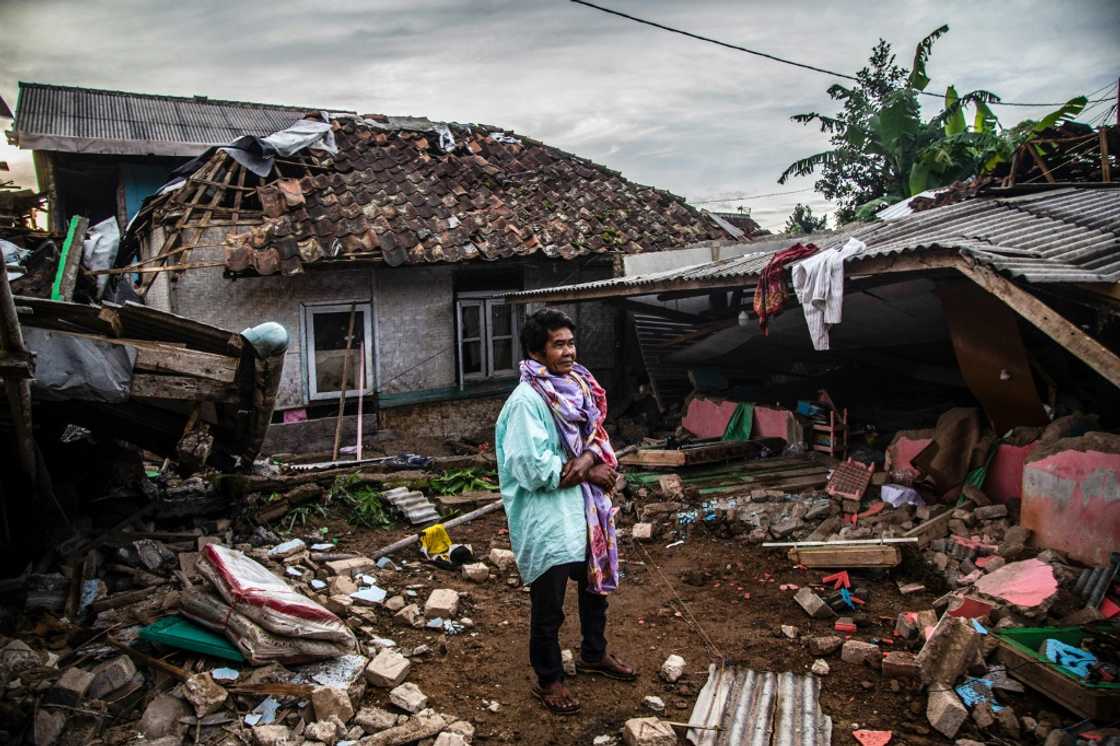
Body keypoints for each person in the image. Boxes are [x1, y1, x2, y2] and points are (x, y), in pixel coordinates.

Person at [494, 308, 637, 715]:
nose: (569, 351)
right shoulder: (526, 401)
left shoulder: (578, 385)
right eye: (559, 344)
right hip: (549, 515)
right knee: (549, 607)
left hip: (587, 512)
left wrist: (590, 456)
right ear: (537, 351)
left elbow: (596, 431)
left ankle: (595, 653)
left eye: (571, 342)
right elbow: (534, 468)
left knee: (595, 592)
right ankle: (550, 679)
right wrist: (592, 471)